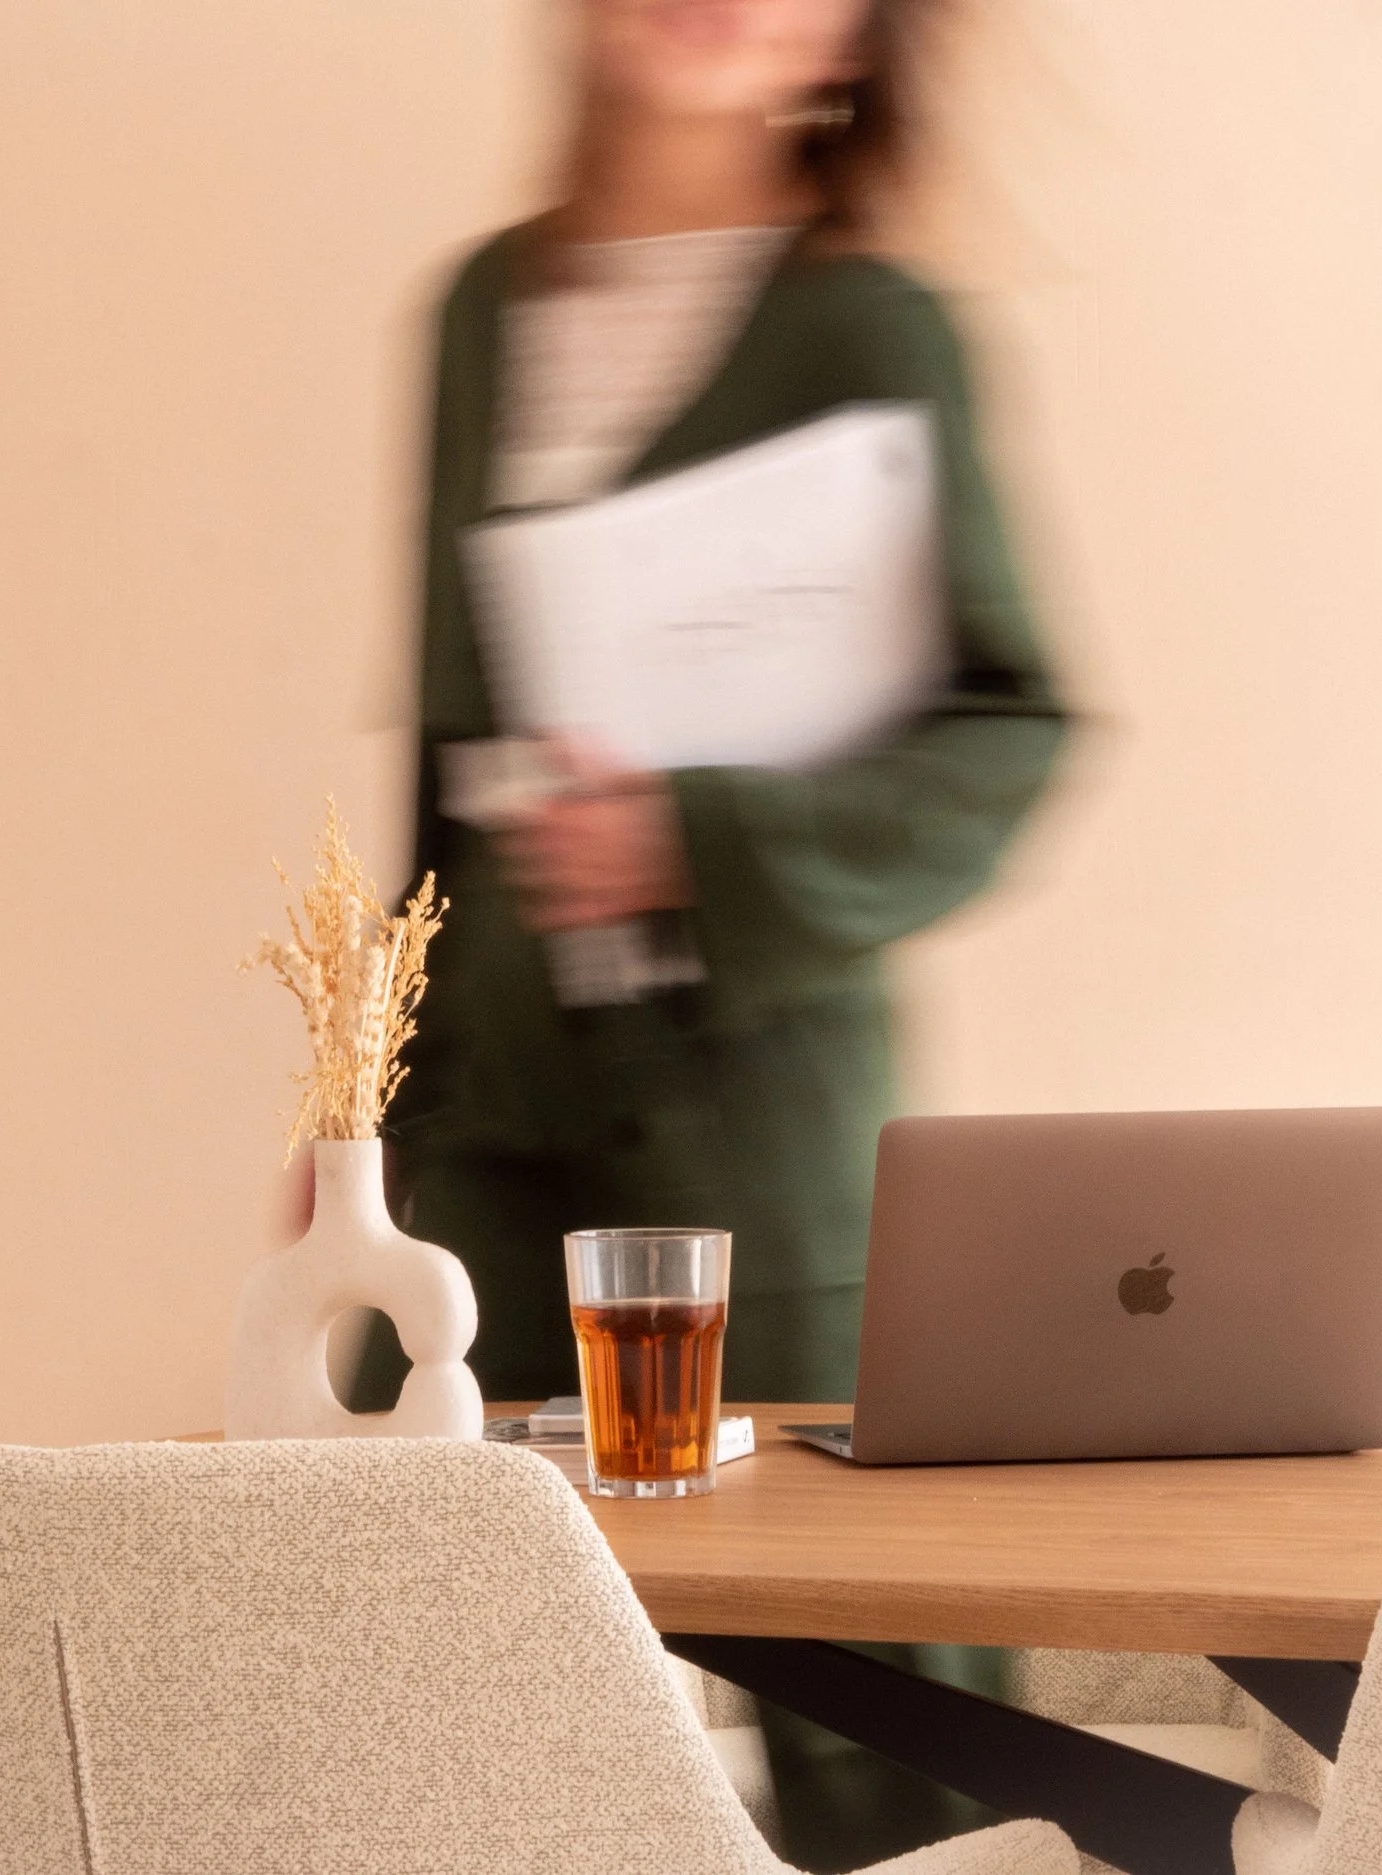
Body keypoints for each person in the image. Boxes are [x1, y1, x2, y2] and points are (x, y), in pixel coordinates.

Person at [356, 1, 1066, 1863]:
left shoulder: (872, 326)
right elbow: (441, 753)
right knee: (404, 1672)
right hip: (488, 1113)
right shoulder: (476, 318)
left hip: (771, 1118)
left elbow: (1006, 732)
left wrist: (700, 843)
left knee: (887, 1723)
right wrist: (354, 1099)